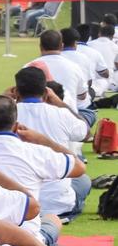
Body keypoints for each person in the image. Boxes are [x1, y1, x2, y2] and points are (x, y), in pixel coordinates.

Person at [0, 94, 84, 246]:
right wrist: (41, 139)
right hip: (27, 244)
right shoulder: (34, 151)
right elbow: (79, 167)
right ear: (16, 126)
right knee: (53, 219)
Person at [11, 66, 92, 223]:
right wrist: (60, 103)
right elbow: (86, 132)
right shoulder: (60, 114)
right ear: (46, 91)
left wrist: (3, 99)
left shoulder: (6, 114)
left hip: (18, 205)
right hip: (56, 205)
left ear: (16, 91)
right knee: (83, 180)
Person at [25, 29, 89, 116]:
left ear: (40, 47)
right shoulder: (74, 67)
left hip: (35, 116)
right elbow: (82, 95)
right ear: (62, 46)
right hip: (68, 116)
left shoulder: (28, 66)